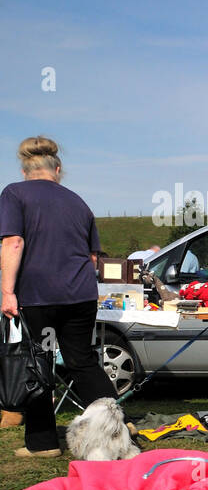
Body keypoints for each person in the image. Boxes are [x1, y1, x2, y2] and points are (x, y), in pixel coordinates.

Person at [0, 137, 119, 457]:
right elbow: (94, 259)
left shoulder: (14, 193)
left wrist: (7, 291)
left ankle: (42, 444)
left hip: (37, 294)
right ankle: (117, 429)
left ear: (24, 169)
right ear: (58, 168)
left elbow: (13, 242)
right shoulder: (78, 201)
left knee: (37, 364)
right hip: (80, 294)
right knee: (82, 361)